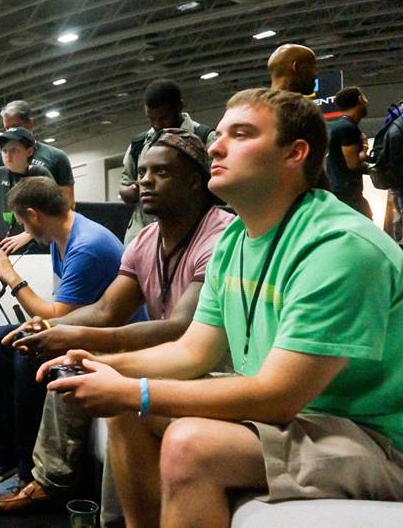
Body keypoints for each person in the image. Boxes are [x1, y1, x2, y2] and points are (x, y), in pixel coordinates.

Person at [42, 88, 403, 527]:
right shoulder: (234, 240)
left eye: (241, 134)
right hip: (309, 418)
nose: (216, 146)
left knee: (191, 444)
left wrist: (133, 388)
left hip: (378, 437)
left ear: (295, 153)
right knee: (127, 410)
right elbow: (191, 352)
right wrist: (103, 365)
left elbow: (278, 396)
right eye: (221, 134)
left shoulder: (339, 246)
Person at [0, 130, 234, 516]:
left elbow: (182, 327)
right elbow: (105, 311)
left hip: (213, 359)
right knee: (70, 362)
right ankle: (46, 478)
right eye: (143, 171)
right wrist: (50, 329)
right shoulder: (145, 239)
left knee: (84, 364)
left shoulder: (220, 237)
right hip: (164, 352)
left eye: (161, 172)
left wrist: (70, 334)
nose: (145, 180)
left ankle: (66, 489)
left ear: (193, 181)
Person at [0, 176, 135, 499]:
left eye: (23, 223)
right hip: (81, 328)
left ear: (33, 215)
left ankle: (27, 472)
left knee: (28, 353)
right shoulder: (63, 238)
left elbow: (58, 315)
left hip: (111, 337)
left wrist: (11, 276)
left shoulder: (87, 245)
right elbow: (62, 313)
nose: (24, 230)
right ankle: (2, 454)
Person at [0, 100, 74, 255]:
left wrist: (28, 234)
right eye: (5, 150)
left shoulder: (45, 168)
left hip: (37, 249)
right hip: (3, 248)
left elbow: (63, 209)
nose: (8, 155)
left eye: (14, 150)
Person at [120, 80, 217, 245]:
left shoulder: (205, 138)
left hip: (191, 232)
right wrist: (138, 188)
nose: (157, 124)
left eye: (164, 118)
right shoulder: (140, 143)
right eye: (151, 118)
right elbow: (124, 187)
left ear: (180, 107)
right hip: (141, 232)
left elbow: (216, 188)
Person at [326, 86, 372, 218]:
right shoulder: (347, 128)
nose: (367, 102)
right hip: (347, 196)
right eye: (364, 98)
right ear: (360, 99)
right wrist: (365, 145)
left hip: (344, 193)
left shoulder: (344, 126)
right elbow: (353, 163)